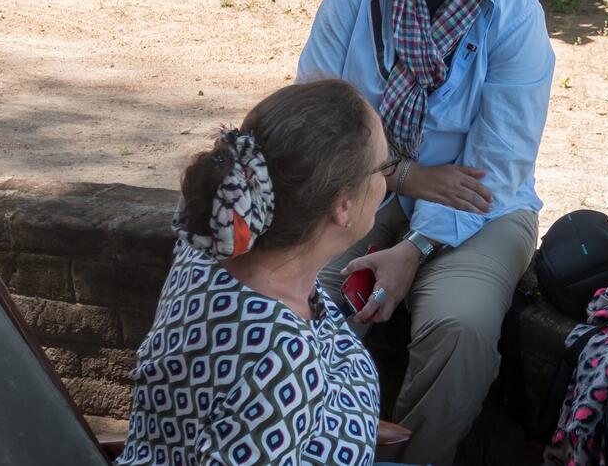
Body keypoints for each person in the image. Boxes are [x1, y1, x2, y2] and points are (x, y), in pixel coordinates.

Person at [295, 0, 554, 465]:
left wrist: (412, 251)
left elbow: (493, 169)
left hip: (486, 204)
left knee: (459, 324)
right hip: (363, 183)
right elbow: (315, 117)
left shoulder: (515, 17)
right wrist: (404, 176)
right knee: (306, 293)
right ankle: (310, 447)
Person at [118, 80, 405, 466]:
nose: (385, 181)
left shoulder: (209, 249)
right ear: (343, 206)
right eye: (384, 167)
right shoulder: (280, 357)